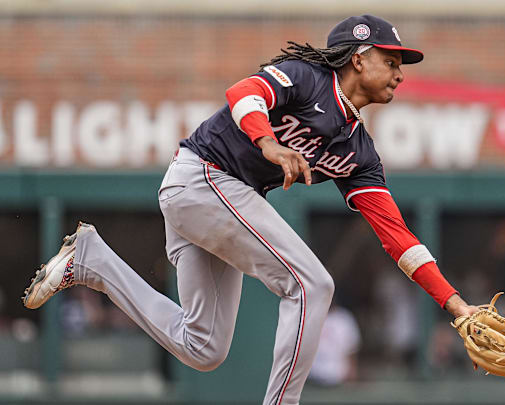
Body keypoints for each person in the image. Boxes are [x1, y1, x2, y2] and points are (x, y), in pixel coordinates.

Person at [22, 15, 479, 405]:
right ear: (358, 58)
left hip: (217, 206)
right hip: (203, 178)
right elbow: (243, 92)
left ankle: (90, 261)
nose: (400, 74)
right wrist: (268, 143)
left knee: (202, 348)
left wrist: (456, 307)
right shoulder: (307, 77)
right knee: (312, 284)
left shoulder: (360, 153)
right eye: (391, 61)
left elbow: (398, 237)